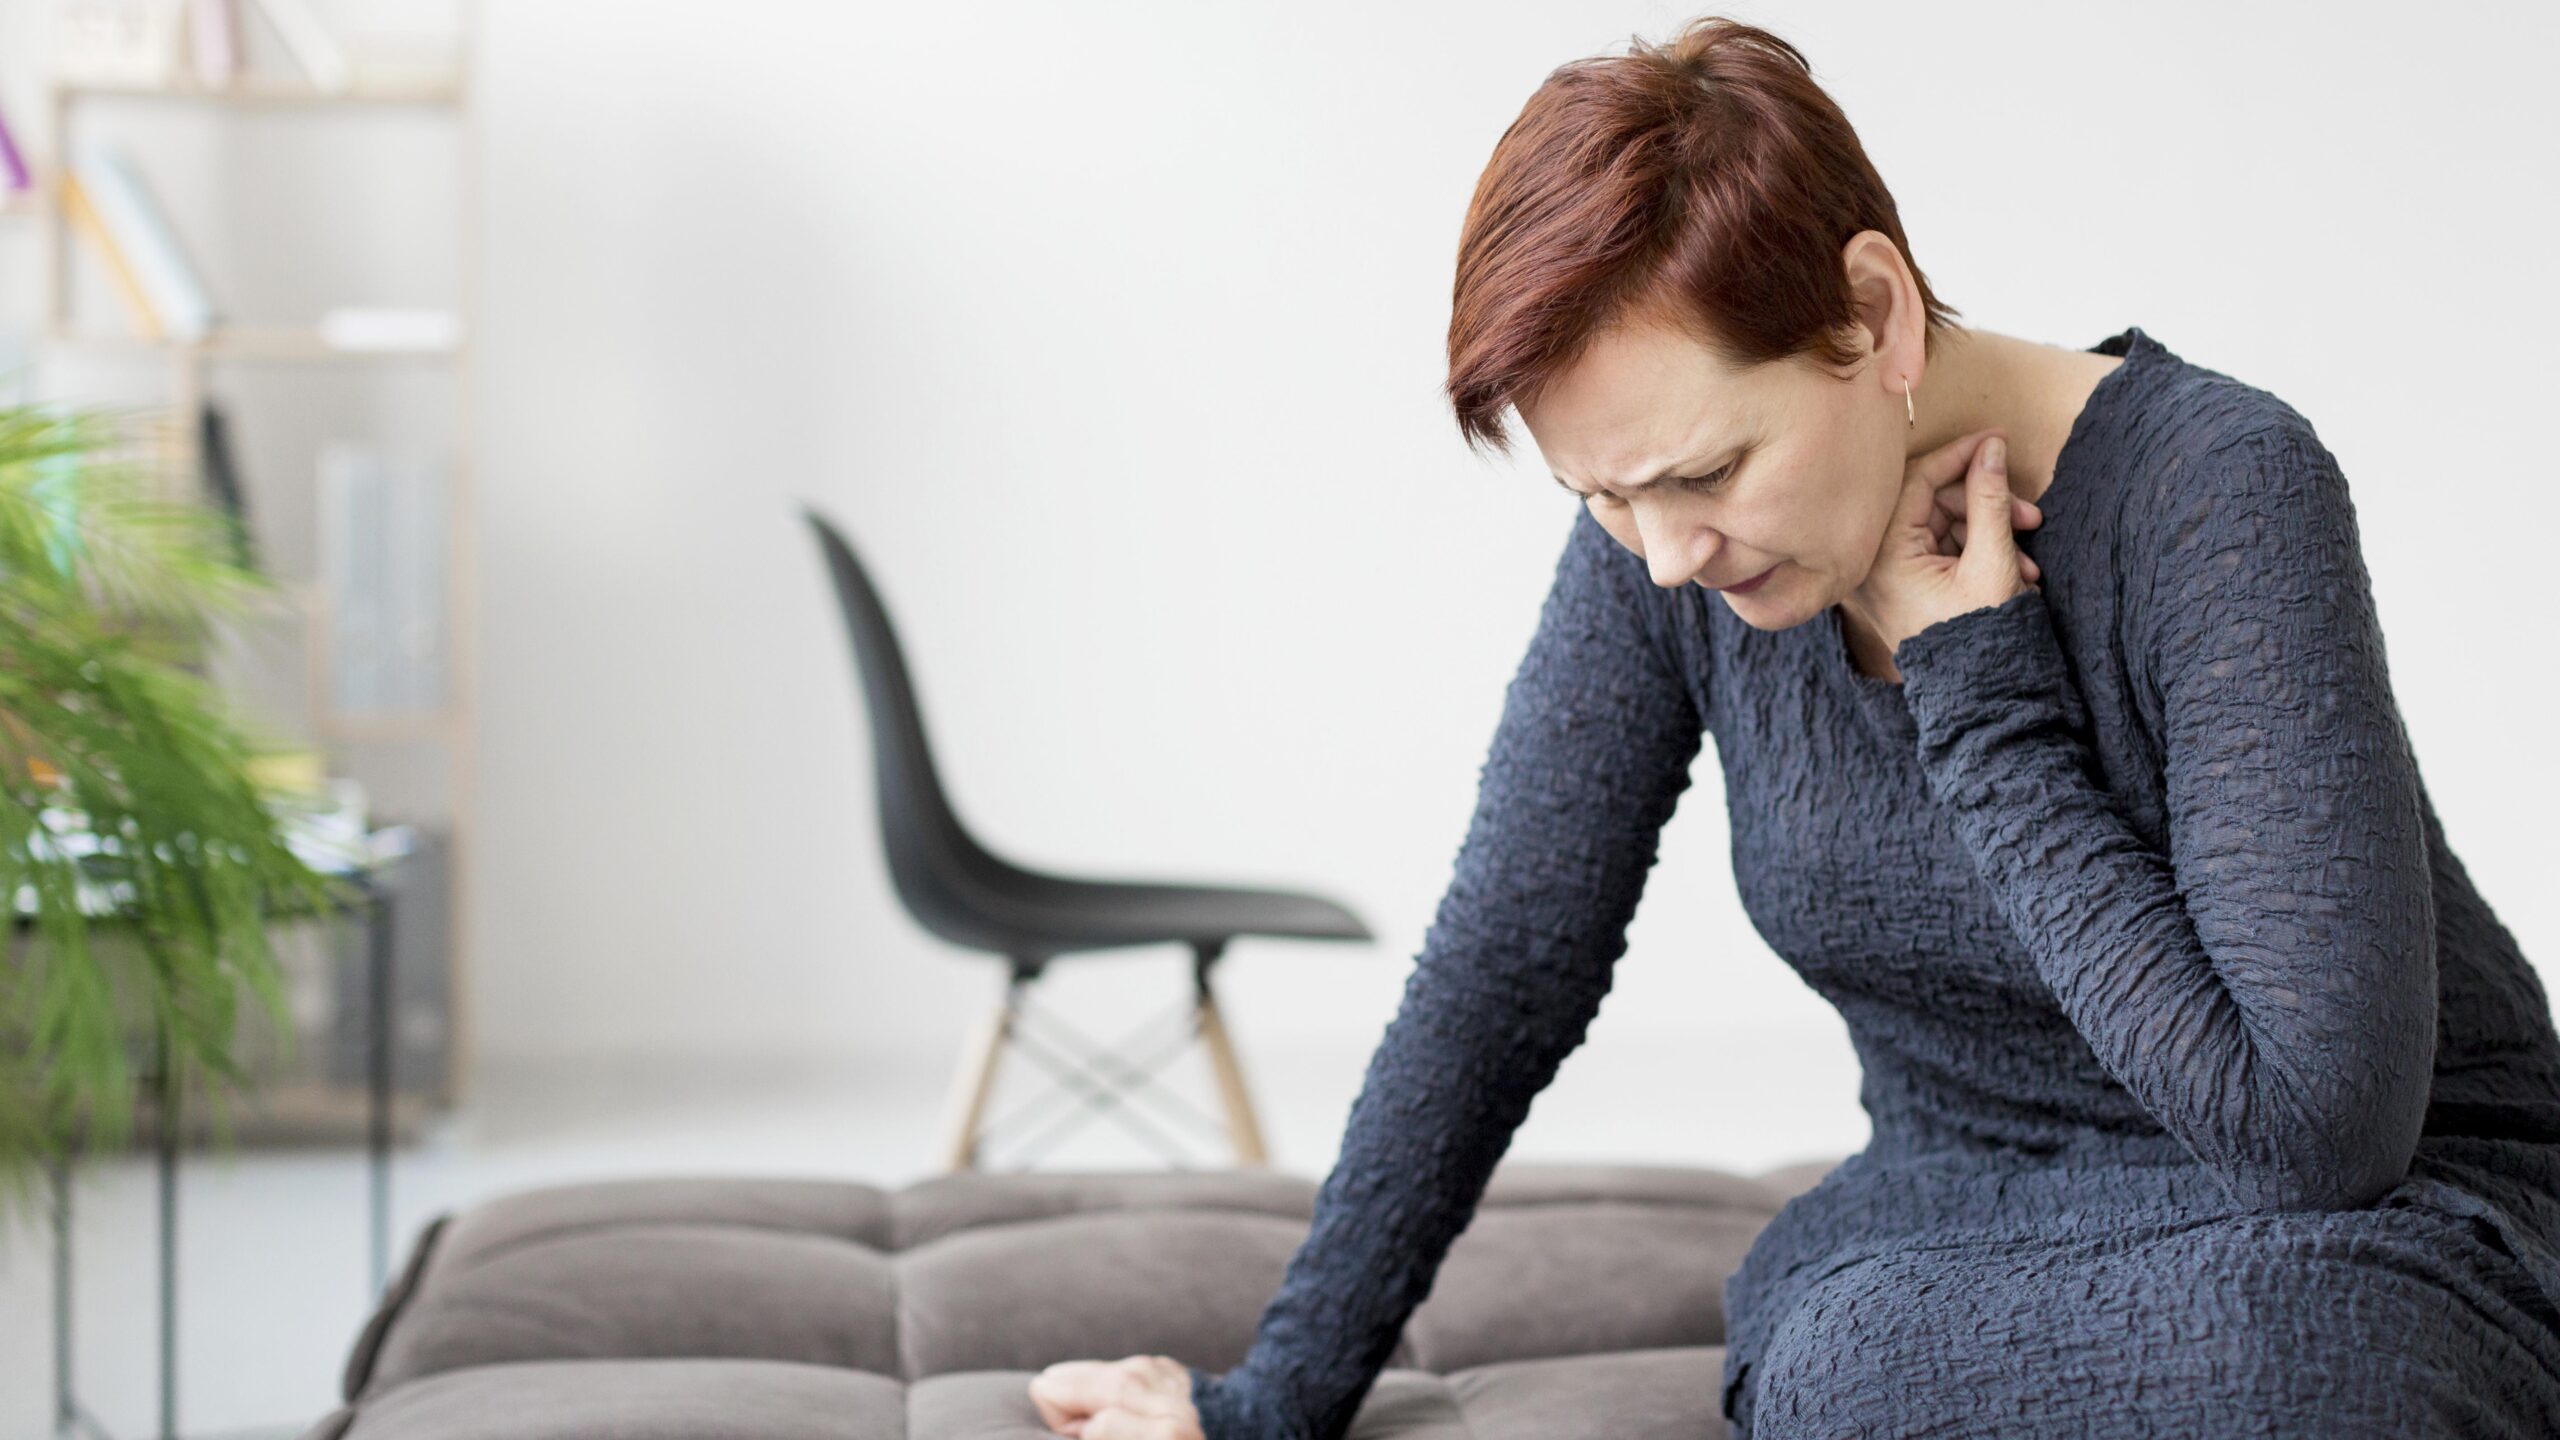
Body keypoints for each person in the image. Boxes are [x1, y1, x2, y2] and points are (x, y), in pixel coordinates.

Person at [1029, 14, 2560, 1439]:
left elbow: (2312, 1135)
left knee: (2289, 1361)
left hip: (2379, 1225)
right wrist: (1268, 1400)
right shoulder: (1660, 545)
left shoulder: (2221, 490)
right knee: (1839, 1362)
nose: (1669, 552)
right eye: (1602, 497)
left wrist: (1984, 702)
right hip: (1960, 1222)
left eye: (1706, 472)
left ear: (1876, 313)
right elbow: (1507, 966)